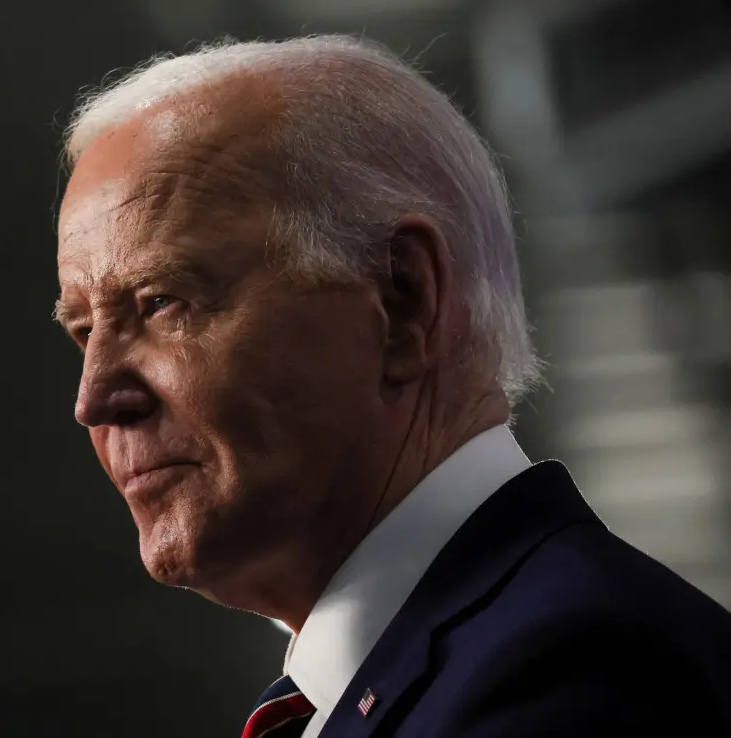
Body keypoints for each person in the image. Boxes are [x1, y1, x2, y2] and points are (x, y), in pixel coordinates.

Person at [52, 36, 731, 737]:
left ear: (403, 301)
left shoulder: (573, 676)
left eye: (163, 303)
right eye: (82, 332)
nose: (94, 399)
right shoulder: (440, 670)